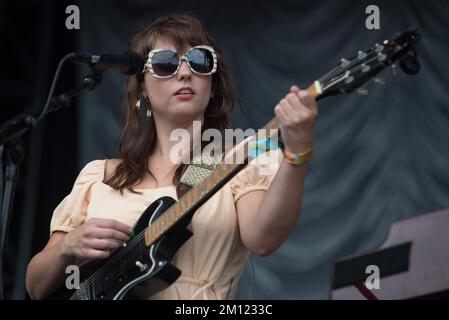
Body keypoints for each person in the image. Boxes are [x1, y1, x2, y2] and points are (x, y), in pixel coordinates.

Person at [25, 13, 318, 300]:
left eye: (200, 61)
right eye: (165, 64)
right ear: (142, 87)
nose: (185, 72)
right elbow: (36, 286)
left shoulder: (236, 160)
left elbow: (263, 240)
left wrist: (297, 152)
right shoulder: (100, 175)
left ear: (212, 85)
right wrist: (69, 247)